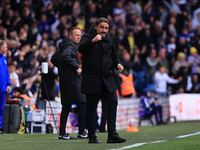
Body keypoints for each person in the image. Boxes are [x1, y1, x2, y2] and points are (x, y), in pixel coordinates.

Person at [78, 17, 126, 144]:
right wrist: (93, 41)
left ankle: (112, 134)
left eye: (106, 28)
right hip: (92, 78)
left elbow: (115, 57)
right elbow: (80, 48)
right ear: (95, 27)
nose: (104, 30)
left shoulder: (110, 40)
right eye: (102, 27)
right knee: (91, 107)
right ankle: (92, 136)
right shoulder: (87, 38)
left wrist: (119, 65)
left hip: (106, 77)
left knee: (113, 102)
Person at [51, 27, 87, 140]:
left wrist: (63, 70)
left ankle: (62, 133)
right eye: (76, 35)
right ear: (70, 36)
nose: (78, 37)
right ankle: (81, 131)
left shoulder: (63, 45)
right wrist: (76, 67)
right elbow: (66, 56)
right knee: (82, 102)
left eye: (79, 35)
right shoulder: (70, 45)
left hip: (64, 80)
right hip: (72, 80)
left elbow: (53, 59)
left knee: (66, 106)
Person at [0, 40, 11, 134]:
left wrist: (8, 84)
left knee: (1, 108)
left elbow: (6, 72)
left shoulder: (4, 58)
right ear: (1, 47)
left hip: (3, 87)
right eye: (5, 46)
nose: (7, 48)